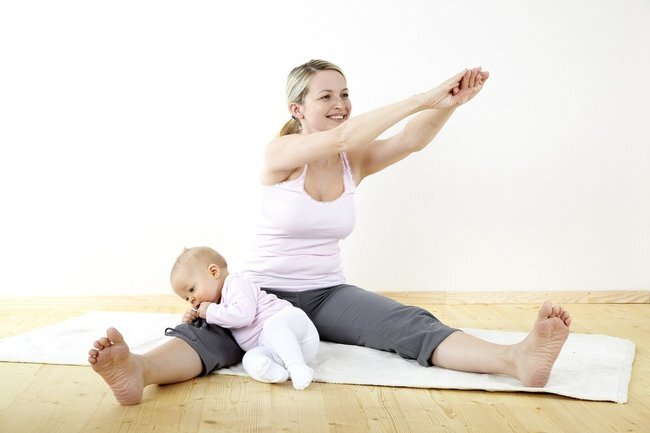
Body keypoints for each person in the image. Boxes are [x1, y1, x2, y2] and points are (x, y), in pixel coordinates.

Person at [88, 60, 572, 405]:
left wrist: (449, 104)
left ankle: (516, 360)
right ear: (297, 109)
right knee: (216, 337)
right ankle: (138, 370)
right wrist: (421, 97)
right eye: (326, 96)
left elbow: (410, 139)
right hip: (262, 289)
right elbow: (343, 134)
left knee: (406, 323)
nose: (341, 104)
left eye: (344, 94)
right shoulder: (279, 154)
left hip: (327, 293)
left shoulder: (350, 161)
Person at [169, 246, 319, 390]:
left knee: (273, 326)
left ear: (214, 272)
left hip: (294, 328)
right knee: (249, 358)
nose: (191, 299)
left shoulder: (236, 284)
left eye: (192, 289)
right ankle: (275, 372)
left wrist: (210, 312)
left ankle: (297, 367)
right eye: (186, 298)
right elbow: (217, 320)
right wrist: (191, 320)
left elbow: (243, 316)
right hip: (281, 351)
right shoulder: (217, 306)